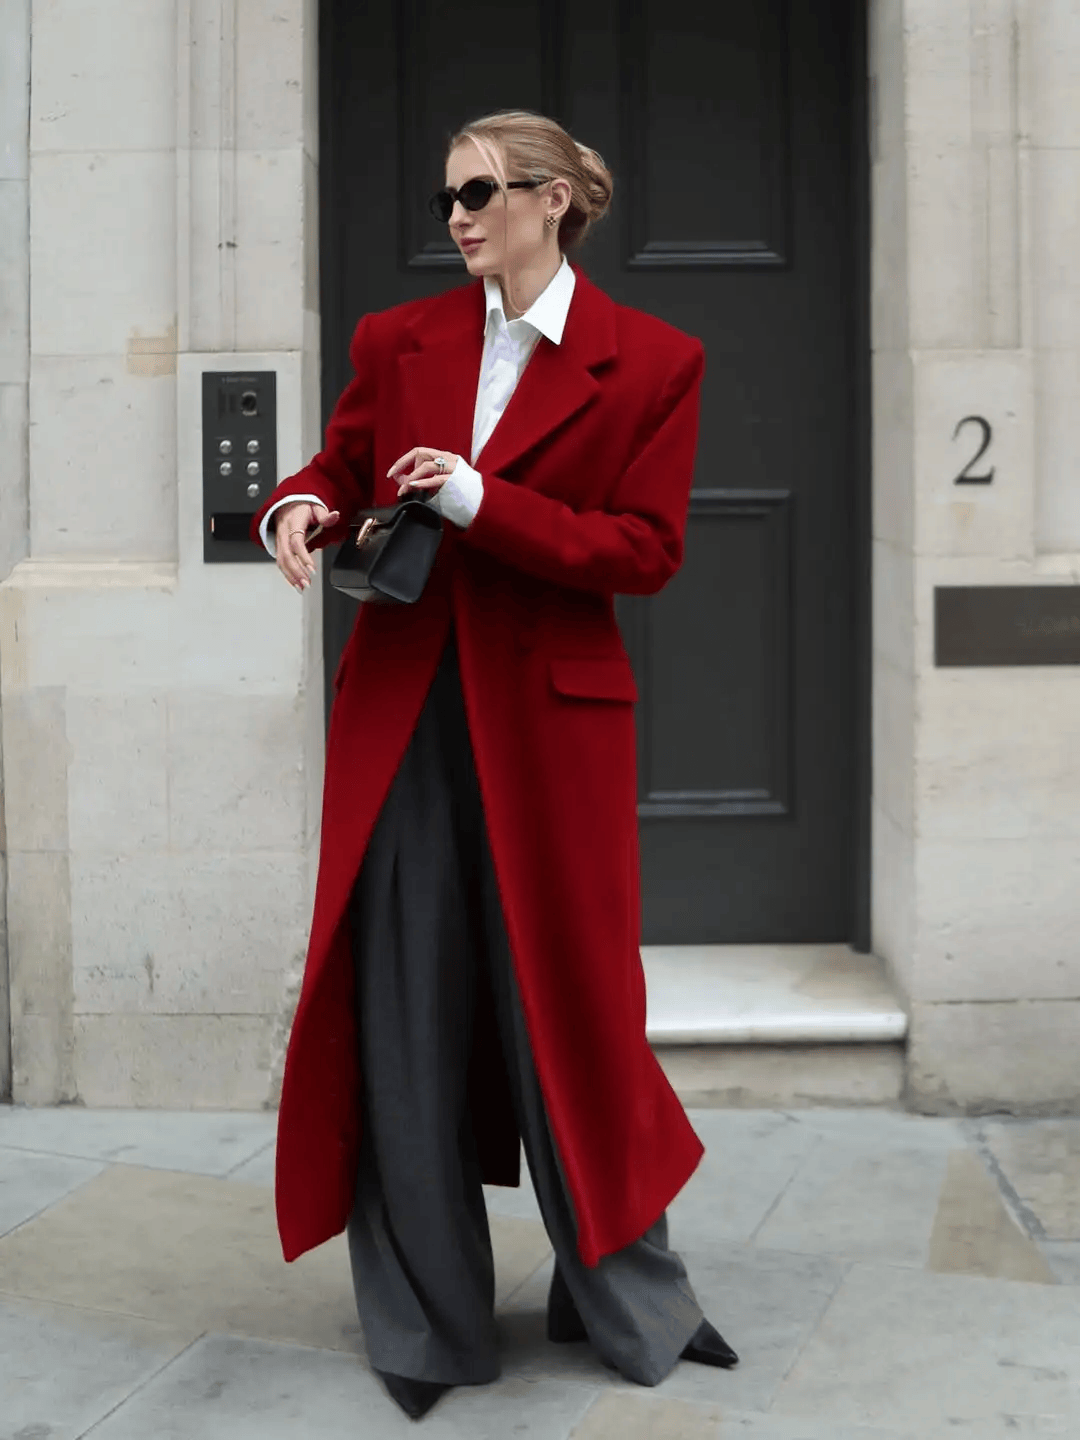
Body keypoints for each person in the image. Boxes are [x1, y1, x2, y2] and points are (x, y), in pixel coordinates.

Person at [251, 108, 738, 1422]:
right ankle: (427, 1323)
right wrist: (301, 503)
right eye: (447, 197)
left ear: (552, 200)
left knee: (575, 1008)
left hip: (553, 730)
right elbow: (341, 467)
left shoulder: (655, 361)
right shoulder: (397, 339)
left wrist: (480, 499)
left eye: (479, 193)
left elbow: (644, 550)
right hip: (405, 716)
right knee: (404, 1002)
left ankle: (627, 1292)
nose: (457, 216)